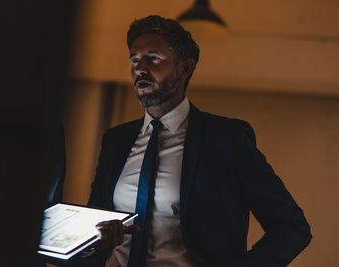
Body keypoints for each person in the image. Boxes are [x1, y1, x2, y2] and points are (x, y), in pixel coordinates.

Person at [81, 15, 311, 267]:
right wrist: (92, 244)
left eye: (153, 58)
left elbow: (291, 227)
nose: (140, 68)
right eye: (135, 59)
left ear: (185, 68)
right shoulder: (116, 141)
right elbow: (92, 235)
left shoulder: (227, 139)